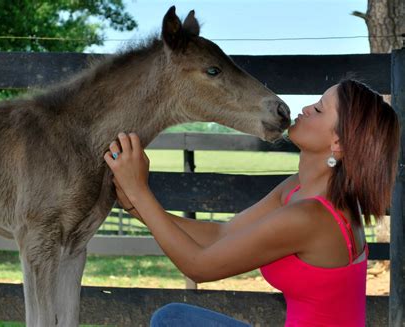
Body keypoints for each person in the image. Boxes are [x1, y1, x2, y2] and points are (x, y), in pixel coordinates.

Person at [103, 79, 400, 327]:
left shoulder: (312, 216)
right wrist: (136, 208)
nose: (306, 108)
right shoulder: (298, 189)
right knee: (173, 318)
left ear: (339, 144)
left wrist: (140, 191)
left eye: (319, 109)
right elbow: (223, 234)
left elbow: (199, 266)